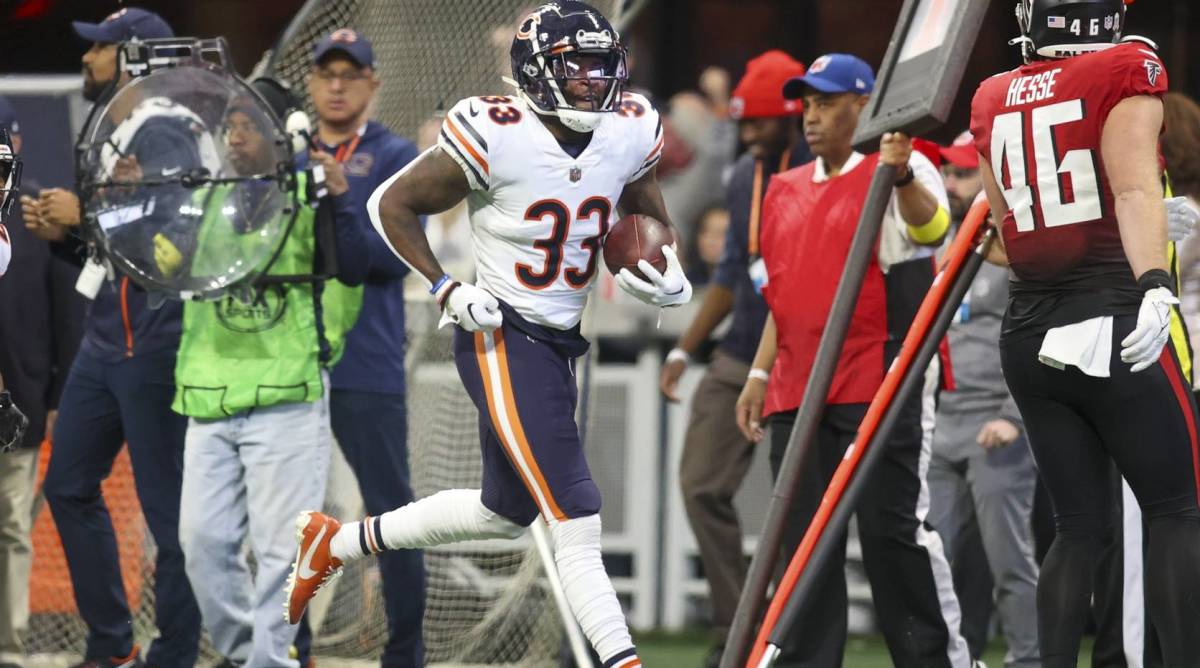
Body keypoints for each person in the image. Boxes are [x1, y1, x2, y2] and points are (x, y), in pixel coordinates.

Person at [283, 4, 691, 667]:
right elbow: (391, 202)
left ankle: (336, 544)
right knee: (576, 517)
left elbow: (645, 217)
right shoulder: (497, 131)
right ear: (534, 73)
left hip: (559, 343)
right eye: (574, 68)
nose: (591, 83)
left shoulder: (630, 128)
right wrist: (445, 285)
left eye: (599, 68)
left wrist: (666, 270)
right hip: (502, 333)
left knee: (504, 512)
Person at [968, 0, 1200, 664]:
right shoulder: (1125, 67)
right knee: (1177, 510)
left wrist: (1150, 222)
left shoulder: (992, 95)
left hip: (1029, 331)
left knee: (1077, 529)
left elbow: (1009, 237)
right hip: (1113, 317)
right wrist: (1154, 277)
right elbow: (1131, 192)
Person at [734, 53, 972, 667]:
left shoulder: (895, 164)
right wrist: (760, 373)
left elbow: (933, 229)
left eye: (827, 102)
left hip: (879, 374)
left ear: (863, 104)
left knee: (891, 531)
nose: (811, 116)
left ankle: (934, 659)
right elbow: (781, 297)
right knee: (803, 543)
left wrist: (899, 176)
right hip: (797, 384)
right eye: (807, 104)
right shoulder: (785, 187)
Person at [21, 9, 203, 668]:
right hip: (109, 337)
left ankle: (175, 652)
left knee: (170, 517)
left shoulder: (170, 129)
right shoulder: (116, 127)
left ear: (131, 58)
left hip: (160, 338)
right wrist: (68, 231)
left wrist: (87, 213)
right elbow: (120, 243)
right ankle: (110, 644)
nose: (86, 61)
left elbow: (173, 230)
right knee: (68, 485)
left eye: (98, 50)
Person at [172, 78, 366, 668]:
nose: (234, 136)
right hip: (209, 391)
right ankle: (245, 657)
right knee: (201, 544)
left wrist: (336, 198)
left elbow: (354, 269)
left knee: (284, 555)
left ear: (282, 136)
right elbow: (166, 265)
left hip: (287, 392)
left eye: (247, 125)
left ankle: (268, 661)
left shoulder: (313, 196)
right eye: (229, 125)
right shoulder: (205, 198)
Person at [658, 48, 811, 667]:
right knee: (700, 485)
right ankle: (740, 622)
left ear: (792, 118)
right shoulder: (743, 175)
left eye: (760, 123)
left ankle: (783, 629)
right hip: (739, 350)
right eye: (743, 123)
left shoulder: (814, 167)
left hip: (801, 358)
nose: (748, 135)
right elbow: (727, 272)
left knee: (794, 505)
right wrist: (683, 348)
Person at [294, 29, 426, 668]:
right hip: (286, 361)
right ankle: (290, 646)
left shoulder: (398, 156)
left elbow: (390, 260)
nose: (338, 84)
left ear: (373, 83)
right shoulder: (285, 154)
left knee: (391, 511)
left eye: (351, 73)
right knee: (288, 512)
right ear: (311, 82)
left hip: (365, 359)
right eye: (327, 73)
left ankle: (404, 654)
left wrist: (341, 191)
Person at [923, 132, 1040, 668]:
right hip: (942, 421)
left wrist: (1013, 416)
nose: (951, 182)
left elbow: (1037, 336)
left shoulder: (1018, 249)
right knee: (936, 558)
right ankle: (954, 657)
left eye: (964, 173)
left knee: (1009, 563)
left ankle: (1030, 660)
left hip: (995, 422)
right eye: (948, 171)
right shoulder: (936, 239)